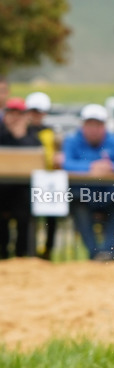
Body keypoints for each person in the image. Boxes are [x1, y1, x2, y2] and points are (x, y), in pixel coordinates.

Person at [63, 104, 114, 260]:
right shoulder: (71, 140)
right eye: (89, 124)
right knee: (77, 203)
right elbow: (66, 163)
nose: (93, 129)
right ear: (82, 125)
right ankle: (95, 253)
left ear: (104, 126)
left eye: (97, 124)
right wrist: (90, 166)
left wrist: (112, 167)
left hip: (111, 195)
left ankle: (107, 252)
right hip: (83, 196)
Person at [0, 98, 41, 259]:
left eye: (19, 114)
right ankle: (3, 253)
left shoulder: (32, 136)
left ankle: (21, 254)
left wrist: (21, 136)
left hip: (23, 189)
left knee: (24, 217)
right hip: (2, 188)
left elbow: (37, 157)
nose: (15, 118)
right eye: (11, 114)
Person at [25, 91, 60, 259]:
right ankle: (28, 251)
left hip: (47, 180)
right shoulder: (23, 131)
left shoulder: (50, 132)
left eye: (39, 112)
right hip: (26, 181)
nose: (36, 115)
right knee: (27, 216)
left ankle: (47, 251)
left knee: (51, 216)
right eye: (33, 111)